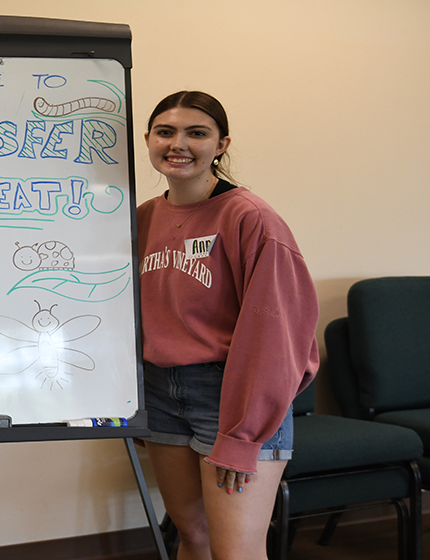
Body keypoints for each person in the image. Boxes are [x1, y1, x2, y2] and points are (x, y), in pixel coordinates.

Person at [136, 91, 319, 560]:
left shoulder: (250, 218)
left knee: (235, 551)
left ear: (221, 144)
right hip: (160, 392)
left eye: (197, 133)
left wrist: (242, 434)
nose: (179, 143)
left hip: (232, 396)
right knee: (191, 536)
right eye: (166, 131)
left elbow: (277, 339)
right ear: (148, 139)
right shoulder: (143, 218)